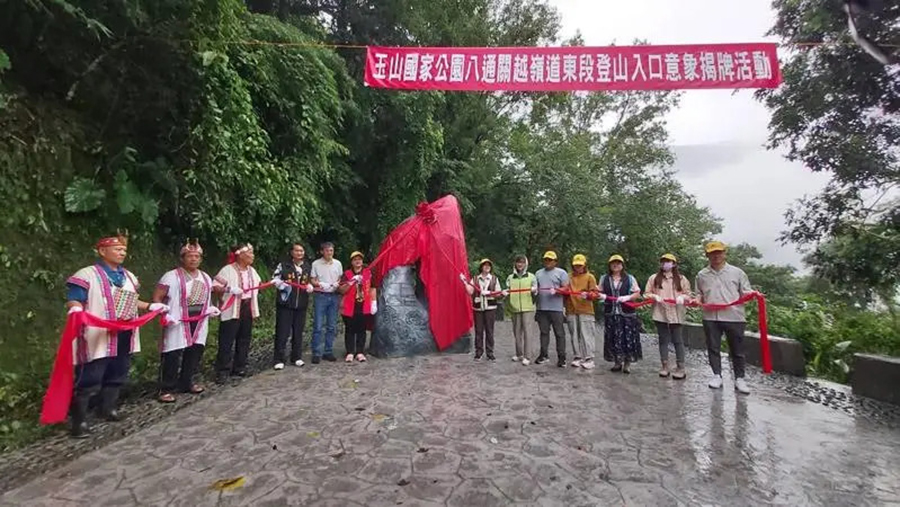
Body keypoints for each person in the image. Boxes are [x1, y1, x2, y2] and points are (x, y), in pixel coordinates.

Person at [65, 233, 169, 438]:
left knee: (118, 371)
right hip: (97, 332)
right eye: (117, 249)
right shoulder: (87, 275)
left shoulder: (129, 276)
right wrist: (75, 309)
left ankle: (108, 408)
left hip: (125, 331)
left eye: (124, 250)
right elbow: (75, 298)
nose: (122, 252)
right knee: (91, 374)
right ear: (102, 251)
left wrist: (149, 306)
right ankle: (79, 421)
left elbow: (133, 300)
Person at [153, 240, 219, 403]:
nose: (194, 259)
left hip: (199, 320)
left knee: (195, 351)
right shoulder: (171, 276)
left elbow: (207, 297)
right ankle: (166, 387)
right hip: (177, 320)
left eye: (197, 256)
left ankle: (187, 381)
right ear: (183, 258)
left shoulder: (205, 277)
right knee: (172, 353)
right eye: (190, 256)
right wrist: (162, 312)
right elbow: (157, 296)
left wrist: (210, 308)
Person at [696, 241, 757, 395]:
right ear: (707, 255)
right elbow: (699, 293)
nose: (716, 255)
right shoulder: (702, 275)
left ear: (724, 253)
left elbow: (745, 291)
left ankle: (740, 378)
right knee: (713, 347)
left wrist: (753, 294)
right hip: (710, 316)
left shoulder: (737, 272)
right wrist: (697, 300)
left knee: (737, 349)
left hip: (734, 316)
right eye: (712, 253)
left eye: (719, 252)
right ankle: (717, 375)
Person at [213, 242, 261, 384]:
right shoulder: (227, 270)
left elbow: (258, 285)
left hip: (247, 307)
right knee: (227, 340)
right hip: (232, 309)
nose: (252, 256)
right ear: (240, 255)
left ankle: (240, 367)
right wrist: (229, 289)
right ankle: (222, 370)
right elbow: (215, 286)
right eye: (250, 253)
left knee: (244, 338)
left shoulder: (252, 271)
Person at [645, 253, 692, 380]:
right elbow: (646, 293)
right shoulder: (654, 278)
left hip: (676, 313)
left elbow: (689, 294)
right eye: (664, 261)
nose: (666, 263)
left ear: (674, 264)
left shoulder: (681, 279)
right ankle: (665, 365)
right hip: (660, 313)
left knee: (678, 340)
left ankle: (680, 367)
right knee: (663, 340)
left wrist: (683, 297)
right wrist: (654, 296)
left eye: (668, 261)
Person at [272, 242, 314, 370]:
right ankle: (279, 359)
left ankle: (296, 357)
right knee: (282, 332)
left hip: (301, 304)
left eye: (301, 251)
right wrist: (282, 285)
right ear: (292, 252)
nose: (300, 253)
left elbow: (310, 280)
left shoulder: (307, 266)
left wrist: (310, 286)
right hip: (286, 304)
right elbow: (274, 279)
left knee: (298, 332)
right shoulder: (284, 265)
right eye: (297, 251)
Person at [598, 254, 642, 373]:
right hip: (611, 313)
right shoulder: (604, 278)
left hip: (627, 314)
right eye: (613, 263)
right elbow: (597, 291)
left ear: (622, 265)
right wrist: (600, 296)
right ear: (609, 265)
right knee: (613, 337)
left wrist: (628, 297)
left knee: (627, 339)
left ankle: (627, 363)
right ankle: (617, 362)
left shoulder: (630, 278)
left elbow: (637, 293)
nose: (615, 265)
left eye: (618, 263)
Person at [462, 259, 505, 361]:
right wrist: (464, 282)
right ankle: (479, 352)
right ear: (481, 267)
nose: (487, 267)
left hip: (490, 308)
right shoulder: (475, 279)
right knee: (479, 331)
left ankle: (490, 353)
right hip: (478, 309)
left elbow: (498, 293)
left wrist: (489, 292)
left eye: (488, 265)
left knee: (490, 331)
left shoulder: (494, 279)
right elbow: (470, 291)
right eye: (485, 265)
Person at [338, 251, 377, 362]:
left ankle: (360, 351)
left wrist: (374, 302)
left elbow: (373, 288)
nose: (358, 261)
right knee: (350, 329)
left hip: (363, 305)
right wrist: (350, 283)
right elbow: (341, 290)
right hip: (350, 305)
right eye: (355, 259)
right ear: (352, 262)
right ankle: (350, 351)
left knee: (361, 330)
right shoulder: (347, 274)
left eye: (359, 259)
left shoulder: (368, 273)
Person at [310, 242, 343, 363]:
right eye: (327, 250)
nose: (329, 253)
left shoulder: (338, 263)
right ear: (322, 251)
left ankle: (328, 351)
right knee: (318, 325)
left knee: (331, 326)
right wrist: (319, 284)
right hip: (321, 295)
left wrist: (337, 284)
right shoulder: (316, 264)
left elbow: (340, 278)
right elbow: (312, 279)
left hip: (334, 296)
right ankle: (316, 352)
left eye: (331, 251)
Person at [534, 251, 568, 367]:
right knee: (543, 332)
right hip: (542, 308)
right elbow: (536, 288)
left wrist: (558, 290)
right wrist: (534, 290)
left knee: (559, 333)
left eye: (550, 260)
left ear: (555, 261)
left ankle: (562, 357)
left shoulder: (561, 273)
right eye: (546, 260)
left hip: (556, 308)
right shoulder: (538, 273)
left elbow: (567, 289)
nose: (548, 262)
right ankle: (543, 355)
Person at [566, 254, 599, 370]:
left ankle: (589, 358)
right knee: (574, 334)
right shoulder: (569, 277)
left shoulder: (590, 277)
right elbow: (565, 289)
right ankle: (577, 356)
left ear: (584, 265)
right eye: (576, 265)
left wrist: (589, 295)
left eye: (580, 265)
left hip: (586, 309)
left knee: (586, 334)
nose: (578, 267)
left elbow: (595, 293)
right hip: (571, 309)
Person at [506, 254, 538, 365]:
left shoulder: (531, 276)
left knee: (528, 332)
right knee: (517, 332)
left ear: (526, 264)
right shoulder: (510, 277)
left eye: (522, 262)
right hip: (515, 308)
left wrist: (534, 290)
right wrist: (506, 292)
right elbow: (508, 289)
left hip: (528, 308)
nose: (520, 264)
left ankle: (527, 356)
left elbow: (536, 290)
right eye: (518, 262)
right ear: (515, 264)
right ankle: (519, 354)